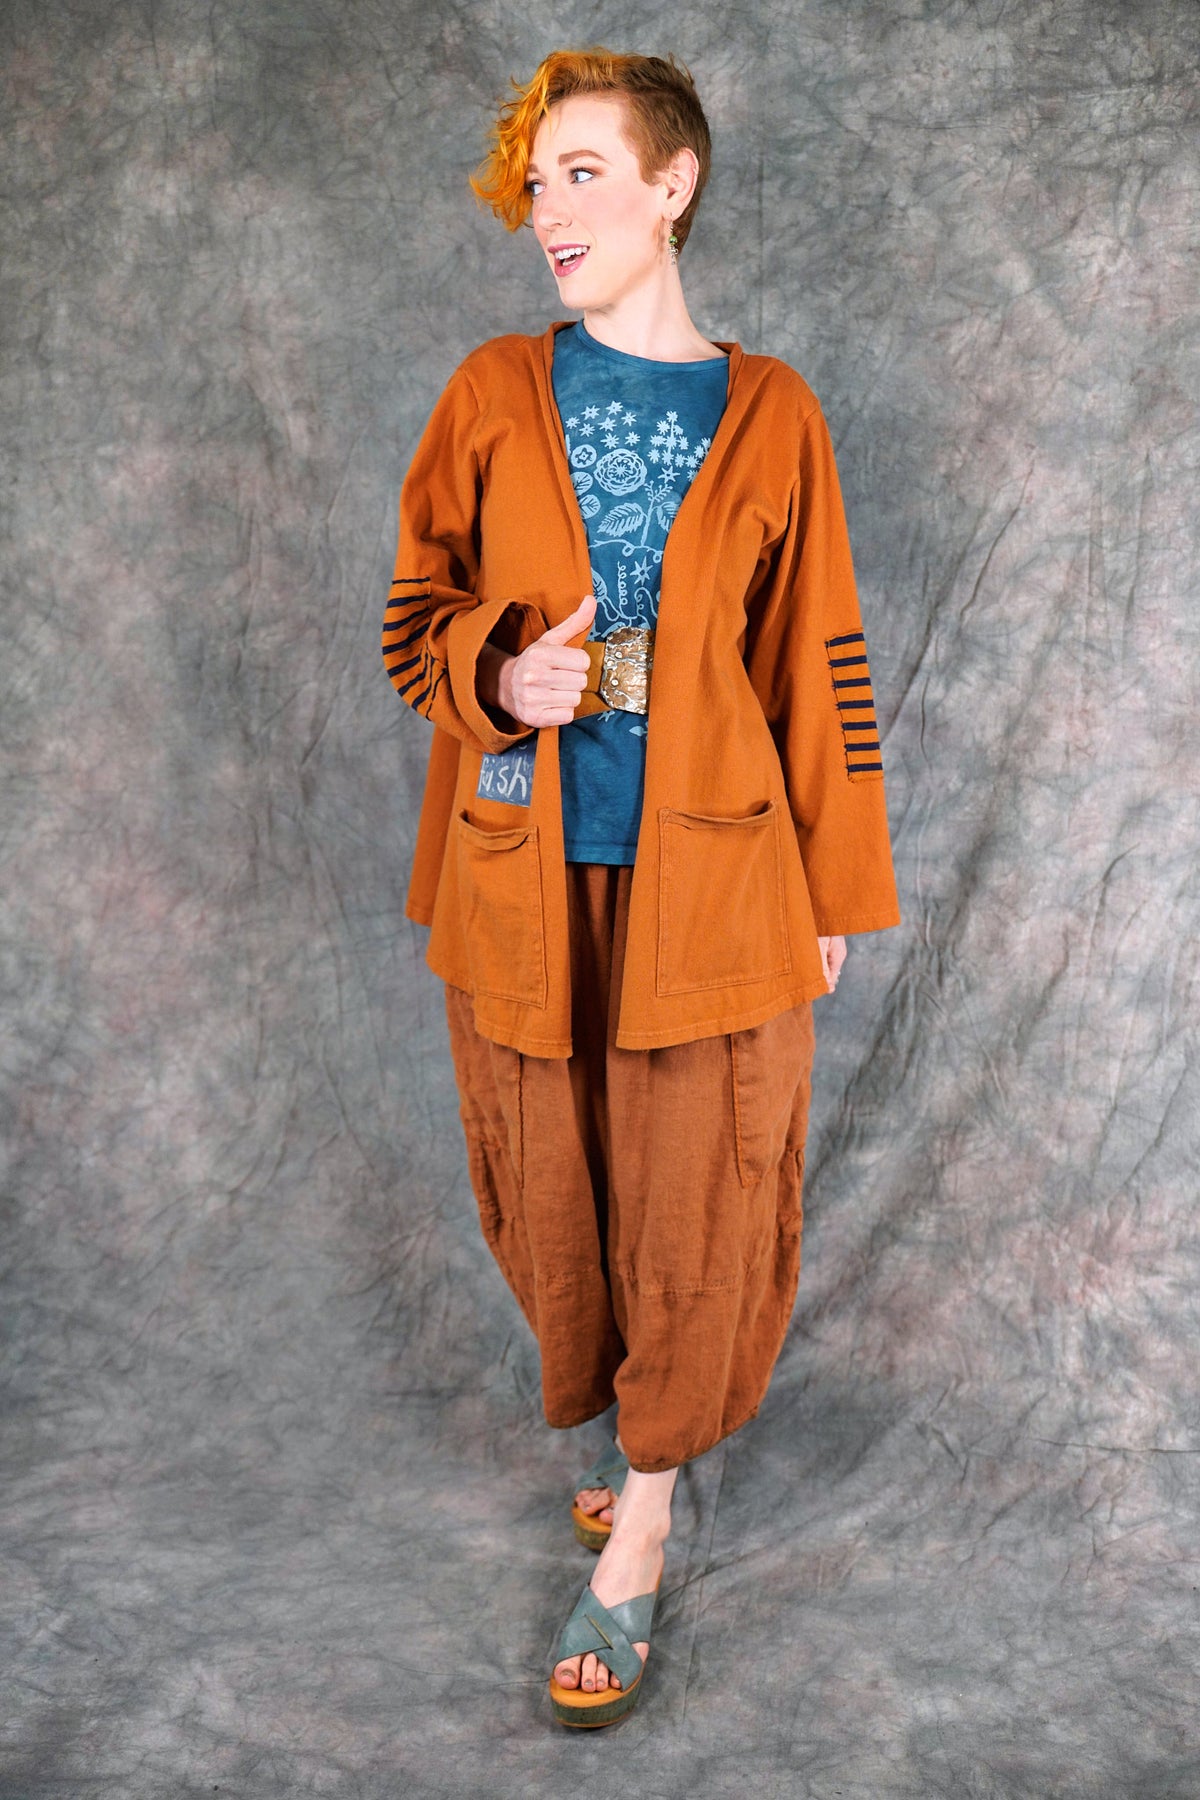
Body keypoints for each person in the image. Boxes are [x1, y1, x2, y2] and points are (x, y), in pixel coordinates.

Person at [382, 47, 900, 1728]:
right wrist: (497, 673)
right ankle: (628, 1429)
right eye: (538, 181)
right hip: (523, 877)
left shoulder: (775, 411)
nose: (550, 208)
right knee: (555, 1197)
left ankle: (649, 1514)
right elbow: (413, 621)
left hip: (721, 885)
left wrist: (832, 886)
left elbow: (819, 660)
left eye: (584, 173)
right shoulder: (488, 391)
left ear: (673, 187)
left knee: (699, 1198)